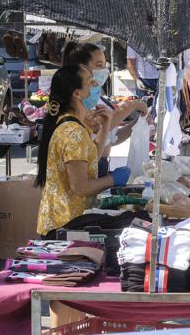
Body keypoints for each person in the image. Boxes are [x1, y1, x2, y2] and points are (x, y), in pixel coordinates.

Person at [35, 65, 131, 238]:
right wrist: (112, 179)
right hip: (64, 225)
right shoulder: (73, 132)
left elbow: (92, 157)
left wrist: (105, 126)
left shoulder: (76, 125)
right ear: (77, 93)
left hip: (69, 222)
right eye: (90, 82)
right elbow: (80, 187)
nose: (96, 86)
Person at [63, 42, 149, 176]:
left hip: (101, 163)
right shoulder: (78, 96)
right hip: (86, 166)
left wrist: (136, 124)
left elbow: (111, 137)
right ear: (82, 68)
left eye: (104, 65)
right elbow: (100, 124)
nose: (104, 70)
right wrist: (132, 105)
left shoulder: (95, 95)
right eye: (99, 66)